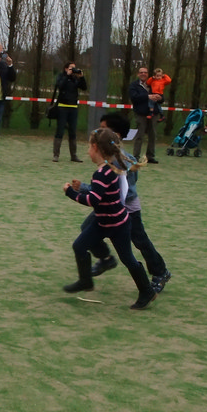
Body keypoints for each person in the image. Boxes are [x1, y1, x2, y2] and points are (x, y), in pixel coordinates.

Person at [62, 128, 157, 310]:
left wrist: (70, 193)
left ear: (95, 148)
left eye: (88, 147)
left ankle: (147, 291)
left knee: (128, 259)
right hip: (103, 221)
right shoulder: (110, 168)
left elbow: (93, 200)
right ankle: (86, 281)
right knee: (79, 246)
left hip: (118, 225)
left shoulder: (102, 173)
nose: (87, 151)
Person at [83, 111, 172, 294]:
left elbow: (121, 188)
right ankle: (106, 259)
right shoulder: (108, 156)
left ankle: (160, 272)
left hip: (127, 209)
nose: (99, 132)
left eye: (103, 129)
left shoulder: (122, 159)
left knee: (140, 241)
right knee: (87, 229)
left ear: (115, 135)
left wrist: (85, 189)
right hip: (110, 206)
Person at [51, 62, 87, 163]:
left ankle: (73, 155)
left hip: (73, 108)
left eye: (74, 68)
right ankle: (56, 155)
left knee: (73, 132)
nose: (73, 70)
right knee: (60, 131)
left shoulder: (75, 78)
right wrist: (67, 76)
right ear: (66, 68)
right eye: (71, 68)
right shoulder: (61, 77)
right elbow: (60, 86)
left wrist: (81, 77)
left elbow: (84, 87)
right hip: (62, 107)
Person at [129, 66, 162, 163]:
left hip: (154, 114)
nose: (143, 74)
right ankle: (136, 156)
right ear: (138, 74)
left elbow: (161, 96)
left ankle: (150, 156)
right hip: (141, 114)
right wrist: (148, 96)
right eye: (141, 72)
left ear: (148, 74)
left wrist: (160, 98)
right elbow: (134, 97)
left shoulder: (154, 83)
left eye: (145, 72)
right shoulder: (134, 85)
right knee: (140, 135)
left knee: (153, 135)